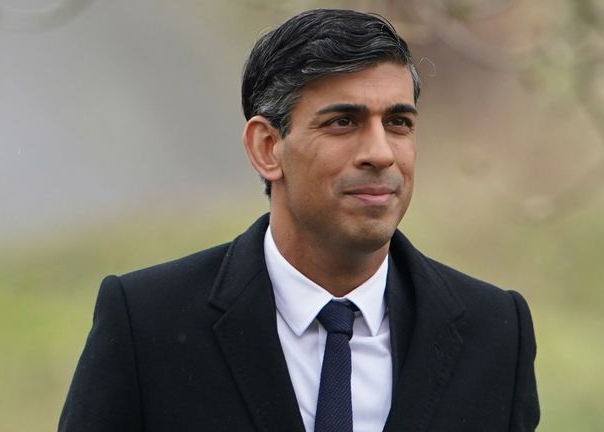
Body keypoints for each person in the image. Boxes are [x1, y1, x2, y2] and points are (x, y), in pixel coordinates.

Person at [59, 8, 539, 432]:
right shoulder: (148, 324)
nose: (380, 153)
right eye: (342, 122)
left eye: (398, 123)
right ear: (268, 148)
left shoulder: (494, 332)